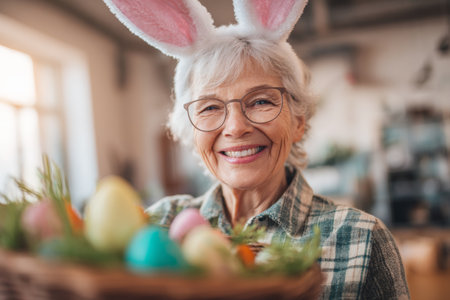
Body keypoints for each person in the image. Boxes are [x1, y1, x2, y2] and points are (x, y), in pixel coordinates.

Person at [104, 0, 410, 298]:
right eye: (210, 107)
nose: (235, 127)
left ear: (298, 122)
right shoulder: (156, 225)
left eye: (261, 101)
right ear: (191, 130)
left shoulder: (362, 239)